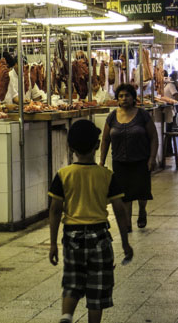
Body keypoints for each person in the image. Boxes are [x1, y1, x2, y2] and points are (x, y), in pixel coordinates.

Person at [49, 119, 133, 323]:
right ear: (97, 145)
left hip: (72, 236)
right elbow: (120, 211)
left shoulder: (63, 175)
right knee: (98, 289)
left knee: (72, 281)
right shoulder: (106, 175)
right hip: (100, 237)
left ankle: (66, 316)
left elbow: (55, 211)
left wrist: (53, 244)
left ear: (70, 147)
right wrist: (124, 241)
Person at [99, 83, 158, 231]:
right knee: (124, 194)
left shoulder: (142, 115)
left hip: (140, 160)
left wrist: (152, 158)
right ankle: (127, 223)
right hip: (120, 161)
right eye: (121, 96)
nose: (124, 99)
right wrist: (101, 160)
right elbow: (105, 139)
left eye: (127, 96)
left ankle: (142, 211)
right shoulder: (112, 117)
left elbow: (153, 137)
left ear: (133, 98)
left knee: (141, 191)